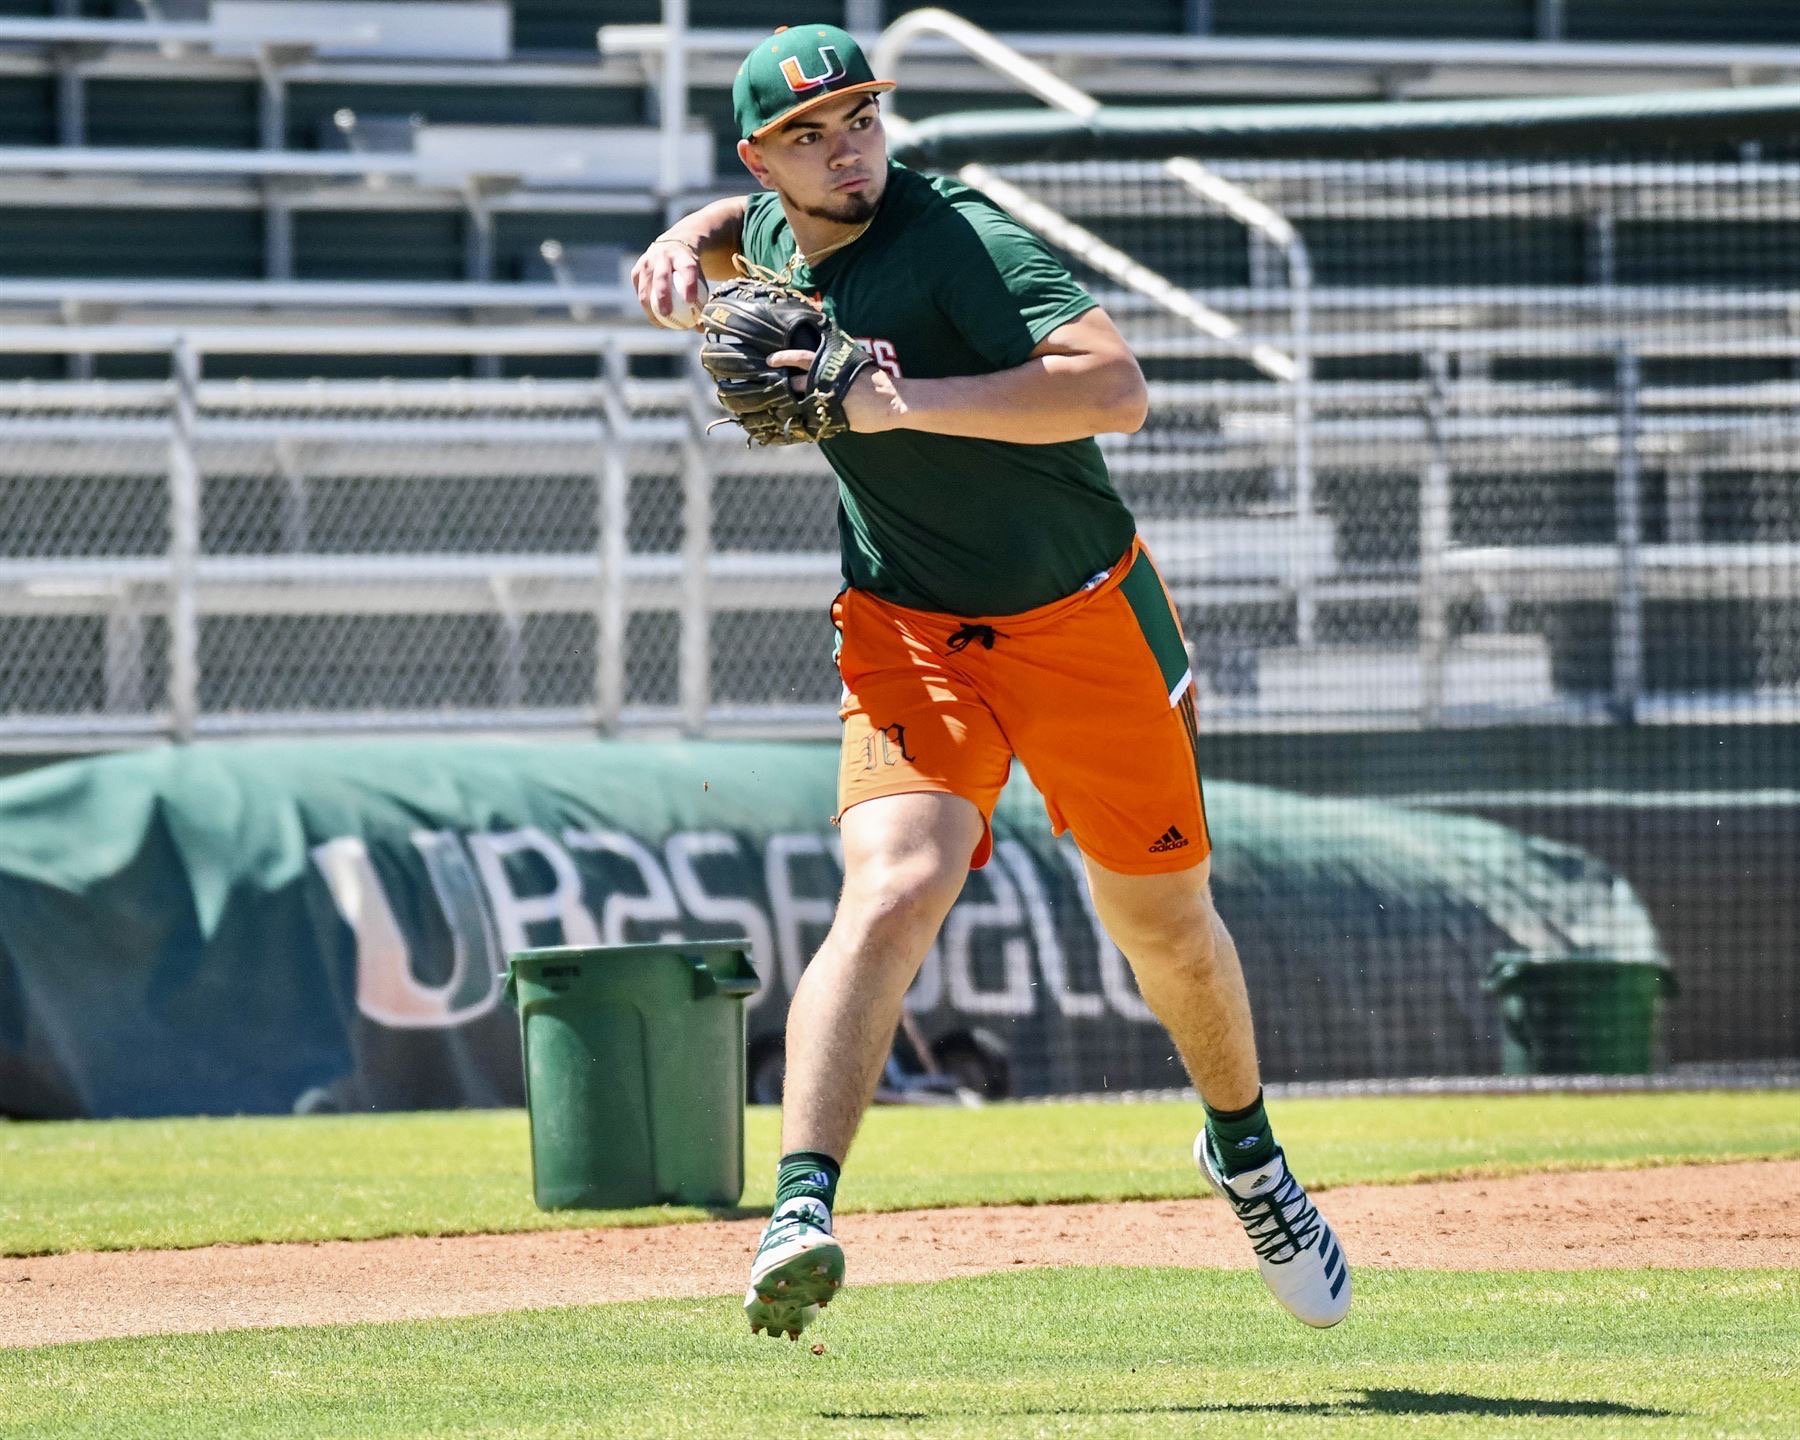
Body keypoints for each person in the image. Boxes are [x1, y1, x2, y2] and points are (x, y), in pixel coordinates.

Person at [631, 22, 1351, 1340]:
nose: (846, 150)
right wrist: (689, 235)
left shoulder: (957, 234)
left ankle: (1246, 1155)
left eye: (859, 119)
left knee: (1165, 930)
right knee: (896, 879)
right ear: (764, 158)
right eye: (811, 134)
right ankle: (802, 1203)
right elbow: (746, 223)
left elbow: (1116, 388)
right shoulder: (780, 230)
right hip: (907, 624)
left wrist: (909, 403)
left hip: (1085, 623)